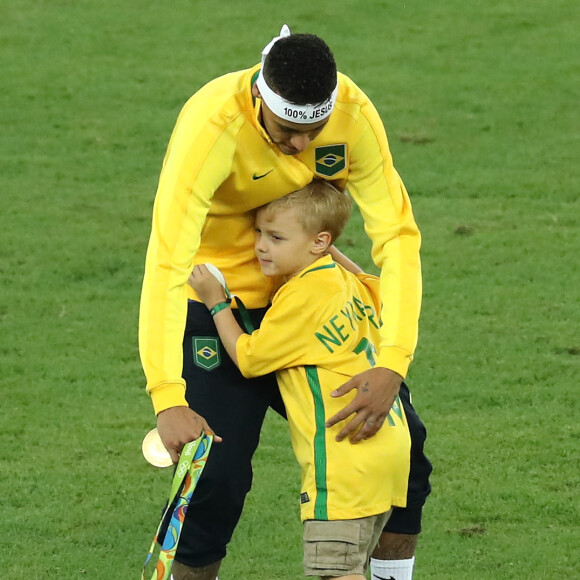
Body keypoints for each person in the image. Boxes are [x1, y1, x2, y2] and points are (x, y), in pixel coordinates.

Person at [139, 25, 431, 580]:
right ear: (259, 102)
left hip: (309, 299)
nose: (302, 144)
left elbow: (397, 236)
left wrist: (393, 360)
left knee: (403, 446)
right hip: (218, 302)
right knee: (213, 479)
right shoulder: (212, 127)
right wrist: (166, 394)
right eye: (285, 130)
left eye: (313, 129)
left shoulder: (353, 113)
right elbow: (167, 260)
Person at [189, 181, 412, 580]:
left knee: (336, 573)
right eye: (258, 232)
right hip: (388, 451)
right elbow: (373, 282)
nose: (260, 246)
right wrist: (322, 247)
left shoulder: (302, 296)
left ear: (318, 242)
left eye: (275, 237)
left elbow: (248, 358)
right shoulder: (350, 283)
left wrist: (215, 301)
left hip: (343, 462)